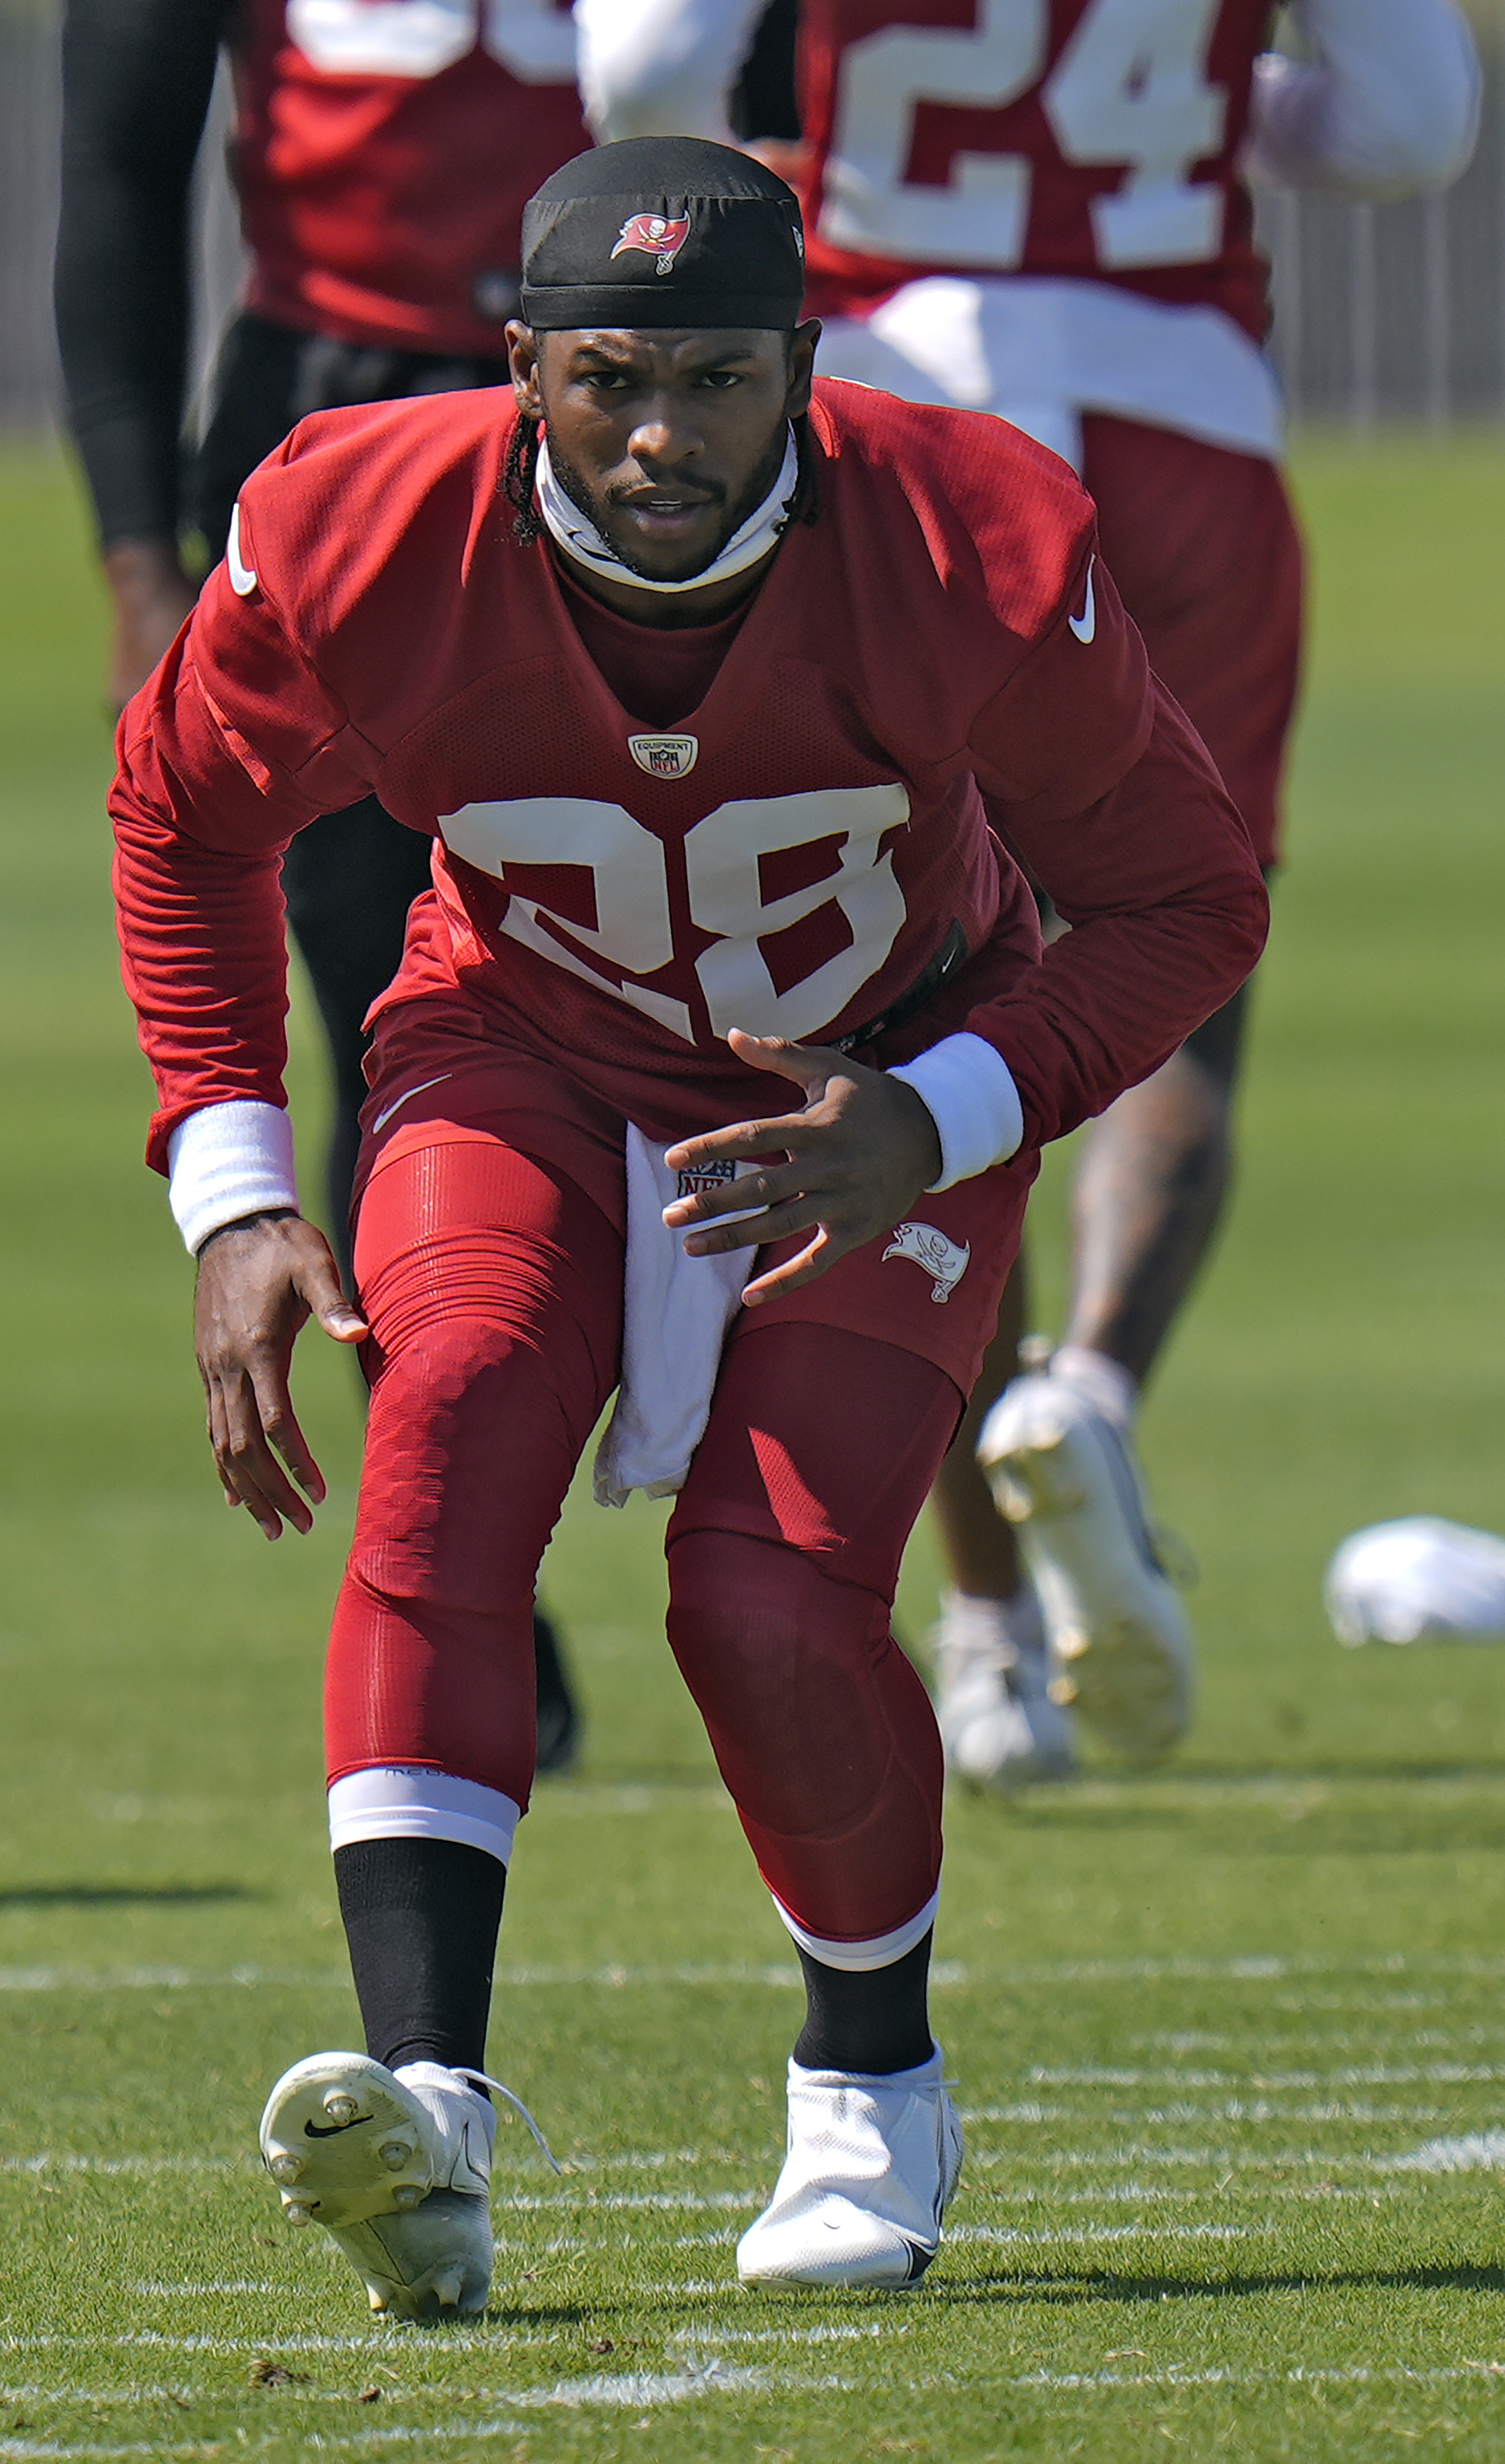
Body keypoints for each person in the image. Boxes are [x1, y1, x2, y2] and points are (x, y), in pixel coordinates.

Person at [111, 136, 1266, 2316]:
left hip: (880, 1067)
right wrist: (235, 1186)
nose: (662, 436)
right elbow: (182, 814)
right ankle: (428, 2103)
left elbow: (1190, 900)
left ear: (805, 377)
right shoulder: (358, 525)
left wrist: (935, 1117)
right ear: (520, 362)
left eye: (720, 382)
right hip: (519, 1029)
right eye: (611, 375)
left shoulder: (971, 538)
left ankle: (872, 2081)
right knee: (447, 1413)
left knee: (763, 1591)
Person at [577, 0, 1481, 1791]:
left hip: (904, 405)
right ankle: (1095, 1393)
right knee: (1178, 947)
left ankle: (986, 1617)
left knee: (908, 996)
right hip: (1177, 415)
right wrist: (1222, 117)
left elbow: (645, 76)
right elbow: (1411, 127)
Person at [55, 0, 594, 1765]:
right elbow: (119, 189)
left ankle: (827, 1522)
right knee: (391, 1020)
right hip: (344, 420)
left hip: (654, 428)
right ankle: (465, 1555)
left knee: (765, 947)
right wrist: (143, 549)